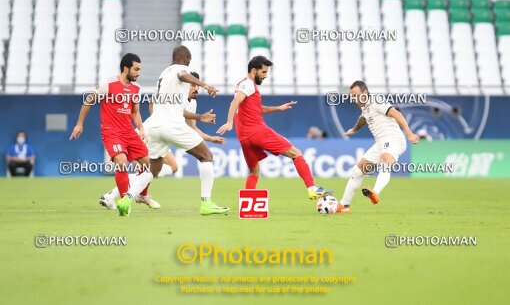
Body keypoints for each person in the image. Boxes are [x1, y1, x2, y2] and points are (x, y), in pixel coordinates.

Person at [115, 45, 229, 216]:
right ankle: (206, 203)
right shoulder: (180, 69)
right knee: (206, 156)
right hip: (171, 125)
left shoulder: (163, 74)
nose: (188, 65)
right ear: (185, 59)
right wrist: (205, 85)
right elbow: (183, 75)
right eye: (188, 61)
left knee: (153, 170)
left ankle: (126, 198)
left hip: (153, 126)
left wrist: (199, 117)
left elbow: (175, 106)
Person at [217, 56, 333, 199]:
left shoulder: (243, 85)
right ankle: (312, 188)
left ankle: (248, 204)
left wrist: (279, 108)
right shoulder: (248, 84)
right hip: (257, 131)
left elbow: (257, 108)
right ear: (254, 70)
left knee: (254, 172)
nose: (266, 76)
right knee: (296, 153)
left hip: (244, 137)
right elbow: (235, 102)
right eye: (264, 72)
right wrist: (229, 122)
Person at [70, 53, 151, 216]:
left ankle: (140, 196)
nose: (138, 73)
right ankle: (124, 204)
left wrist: (141, 128)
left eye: (140, 70)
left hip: (128, 131)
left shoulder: (136, 88)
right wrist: (79, 124)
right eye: (136, 69)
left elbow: (135, 112)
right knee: (121, 162)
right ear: (126, 68)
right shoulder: (108, 84)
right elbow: (89, 101)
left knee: (148, 164)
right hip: (111, 132)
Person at [337, 80, 420, 213]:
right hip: (380, 143)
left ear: (365, 92)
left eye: (355, 95)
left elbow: (397, 114)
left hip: (394, 139)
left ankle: (375, 192)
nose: (353, 98)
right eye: (351, 96)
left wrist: (409, 134)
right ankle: (343, 206)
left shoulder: (376, 101)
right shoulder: (364, 107)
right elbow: (363, 118)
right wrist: (354, 130)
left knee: (385, 160)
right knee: (358, 171)